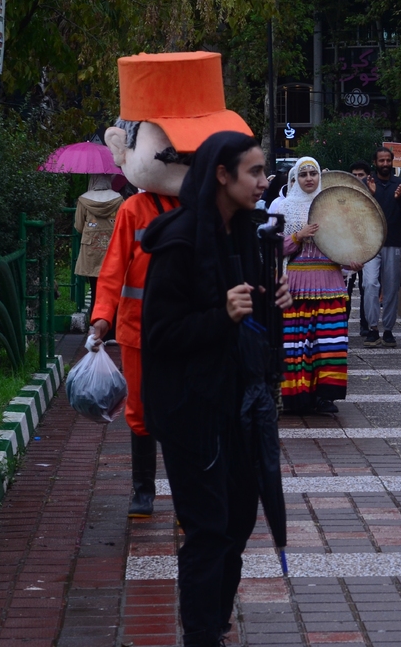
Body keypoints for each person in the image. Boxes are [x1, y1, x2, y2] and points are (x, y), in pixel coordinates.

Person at [140, 132, 292, 647]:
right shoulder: (179, 240)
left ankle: (216, 624)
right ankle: (203, 636)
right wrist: (219, 316)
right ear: (222, 176)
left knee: (240, 520)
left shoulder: (245, 234)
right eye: (253, 172)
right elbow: (159, 334)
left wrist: (272, 302)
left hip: (239, 405)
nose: (264, 182)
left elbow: (248, 321)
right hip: (190, 409)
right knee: (207, 529)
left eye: (264, 171)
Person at [91, 51, 254, 520]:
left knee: (191, 408)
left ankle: (190, 493)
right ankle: (144, 489)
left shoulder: (208, 211)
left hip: (193, 328)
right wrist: (102, 319)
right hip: (139, 333)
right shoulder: (133, 211)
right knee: (142, 411)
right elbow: (113, 270)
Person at [278, 157, 358, 414]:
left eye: (313, 173)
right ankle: (294, 397)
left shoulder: (334, 207)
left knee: (329, 342)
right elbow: (271, 248)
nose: (309, 178)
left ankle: (326, 396)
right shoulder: (283, 207)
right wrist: (297, 236)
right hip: (296, 284)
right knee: (295, 343)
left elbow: (345, 245)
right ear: (295, 178)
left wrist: (353, 262)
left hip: (330, 283)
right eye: (303, 174)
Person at [363, 146, 401, 347]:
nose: (385, 164)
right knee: (370, 284)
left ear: (392, 162)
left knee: (391, 288)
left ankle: (388, 329)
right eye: (381, 161)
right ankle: (373, 328)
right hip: (370, 244)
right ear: (375, 162)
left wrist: (399, 200)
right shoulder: (367, 183)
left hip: (393, 242)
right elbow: (360, 211)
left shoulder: (400, 184)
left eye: (388, 161)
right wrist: (371, 195)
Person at [74, 174, 123, 313]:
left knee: (95, 288)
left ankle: (94, 326)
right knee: (112, 287)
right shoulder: (118, 200)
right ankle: (111, 324)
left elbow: (78, 226)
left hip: (91, 249)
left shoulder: (83, 200)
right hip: (112, 248)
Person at [345, 161, 373, 335]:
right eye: (353, 175)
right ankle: (343, 323)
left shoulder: (373, 194)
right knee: (345, 288)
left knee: (367, 286)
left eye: (360, 175)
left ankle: (365, 324)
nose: (357, 178)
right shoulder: (342, 195)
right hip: (347, 247)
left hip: (367, 248)